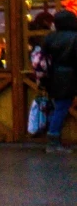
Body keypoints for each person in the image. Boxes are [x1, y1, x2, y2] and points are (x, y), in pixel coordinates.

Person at [41, 9, 77, 154]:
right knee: (61, 108)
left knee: (58, 107)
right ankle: (53, 142)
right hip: (71, 76)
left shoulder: (50, 37)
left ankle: (53, 139)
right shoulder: (75, 37)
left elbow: (43, 57)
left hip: (53, 75)